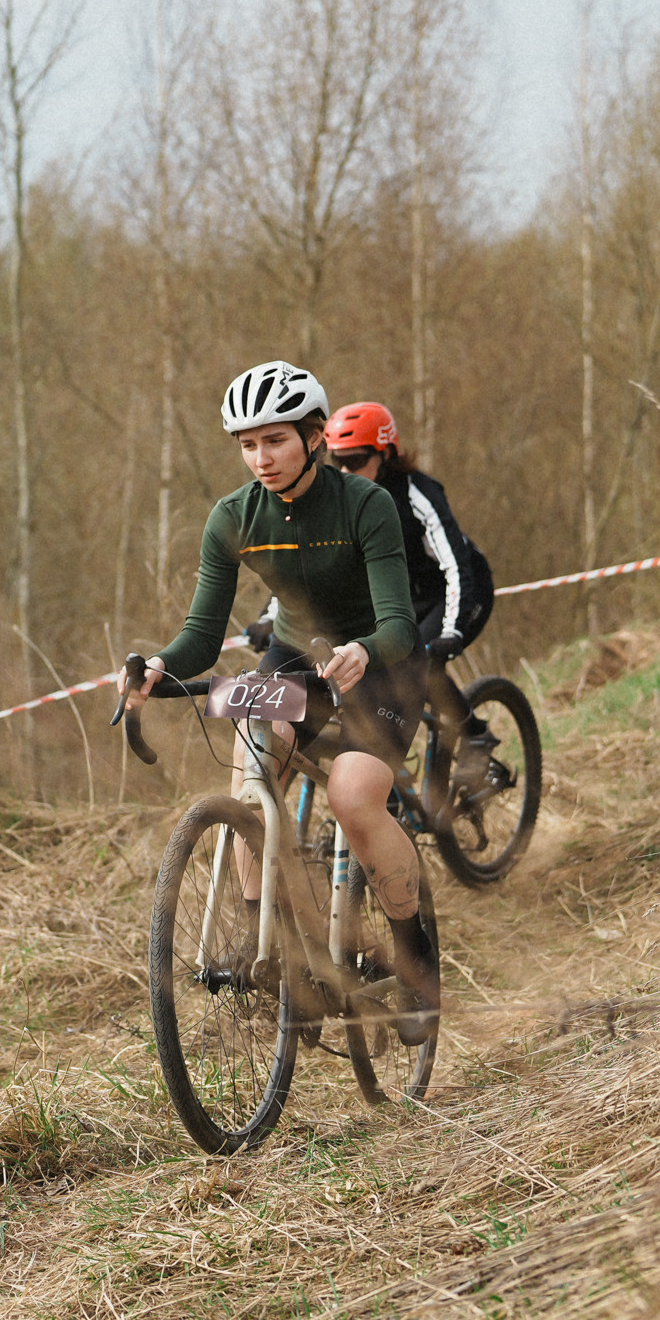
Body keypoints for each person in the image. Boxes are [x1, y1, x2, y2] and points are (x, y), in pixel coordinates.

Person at [125, 360, 439, 1044]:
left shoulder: (366, 505)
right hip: (290, 664)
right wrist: (158, 666)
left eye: (275, 440)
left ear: (314, 436)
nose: (260, 458)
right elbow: (202, 637)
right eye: (246, 444)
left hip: (377, 666)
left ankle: (415, 957)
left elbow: (398, 622)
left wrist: (363, 649)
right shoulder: (232, 517)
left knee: (355, 797)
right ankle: (277, 949)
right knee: (247, 780)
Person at [320, 401, 499, 800]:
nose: (346, 471)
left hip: (457, 592)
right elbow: (315, 570)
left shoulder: (418, 493)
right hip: (401, 602)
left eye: (357, 459)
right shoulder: (339, 500)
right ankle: (393, 779)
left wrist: (452, 628)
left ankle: (476, 738)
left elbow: (455, 564)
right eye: (338, 462)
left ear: (386, 455)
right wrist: (270, 616)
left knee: (420, 662)